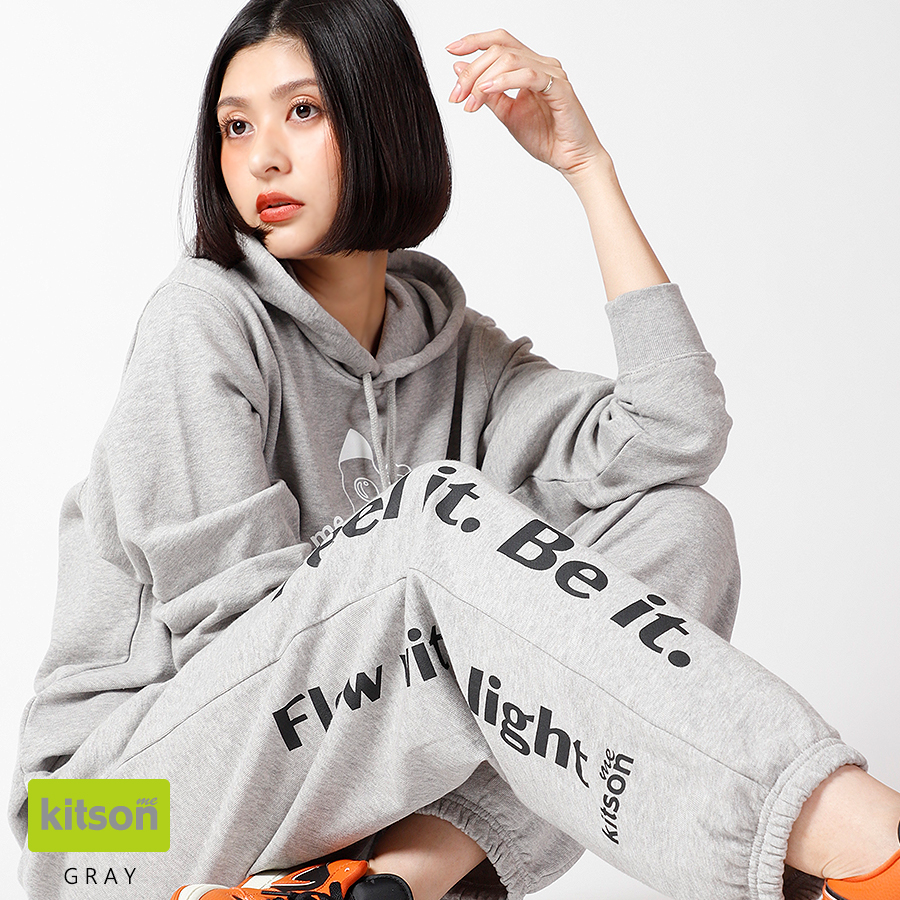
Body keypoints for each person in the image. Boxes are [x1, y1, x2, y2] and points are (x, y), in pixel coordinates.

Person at [9, 1, 900, 899]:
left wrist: (588, 170)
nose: (262, 158)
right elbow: (243, 644)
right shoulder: (201, 319)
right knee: (426, 527)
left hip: (311, 802)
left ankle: (385, 883)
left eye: (302, 112)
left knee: (681, 530)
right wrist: (467, 617)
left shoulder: (459, 358)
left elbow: (675, 433)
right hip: (106, 820)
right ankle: (858, 838)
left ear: (384, 120)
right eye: (236, 126)